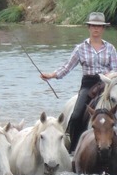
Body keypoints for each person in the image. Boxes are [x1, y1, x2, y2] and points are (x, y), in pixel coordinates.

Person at [42, 11, 117, 153]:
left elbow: (115, 69)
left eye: (99, 26)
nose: (96, 29)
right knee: (76, 115)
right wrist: (52, 75)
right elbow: (67, 67)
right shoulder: (80, 48)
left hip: (107, 84)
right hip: (88, 85)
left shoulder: (110, 48)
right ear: (89, 27)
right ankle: (73, 148)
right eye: (93, 26)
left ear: (103, 29)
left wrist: (109, 76)